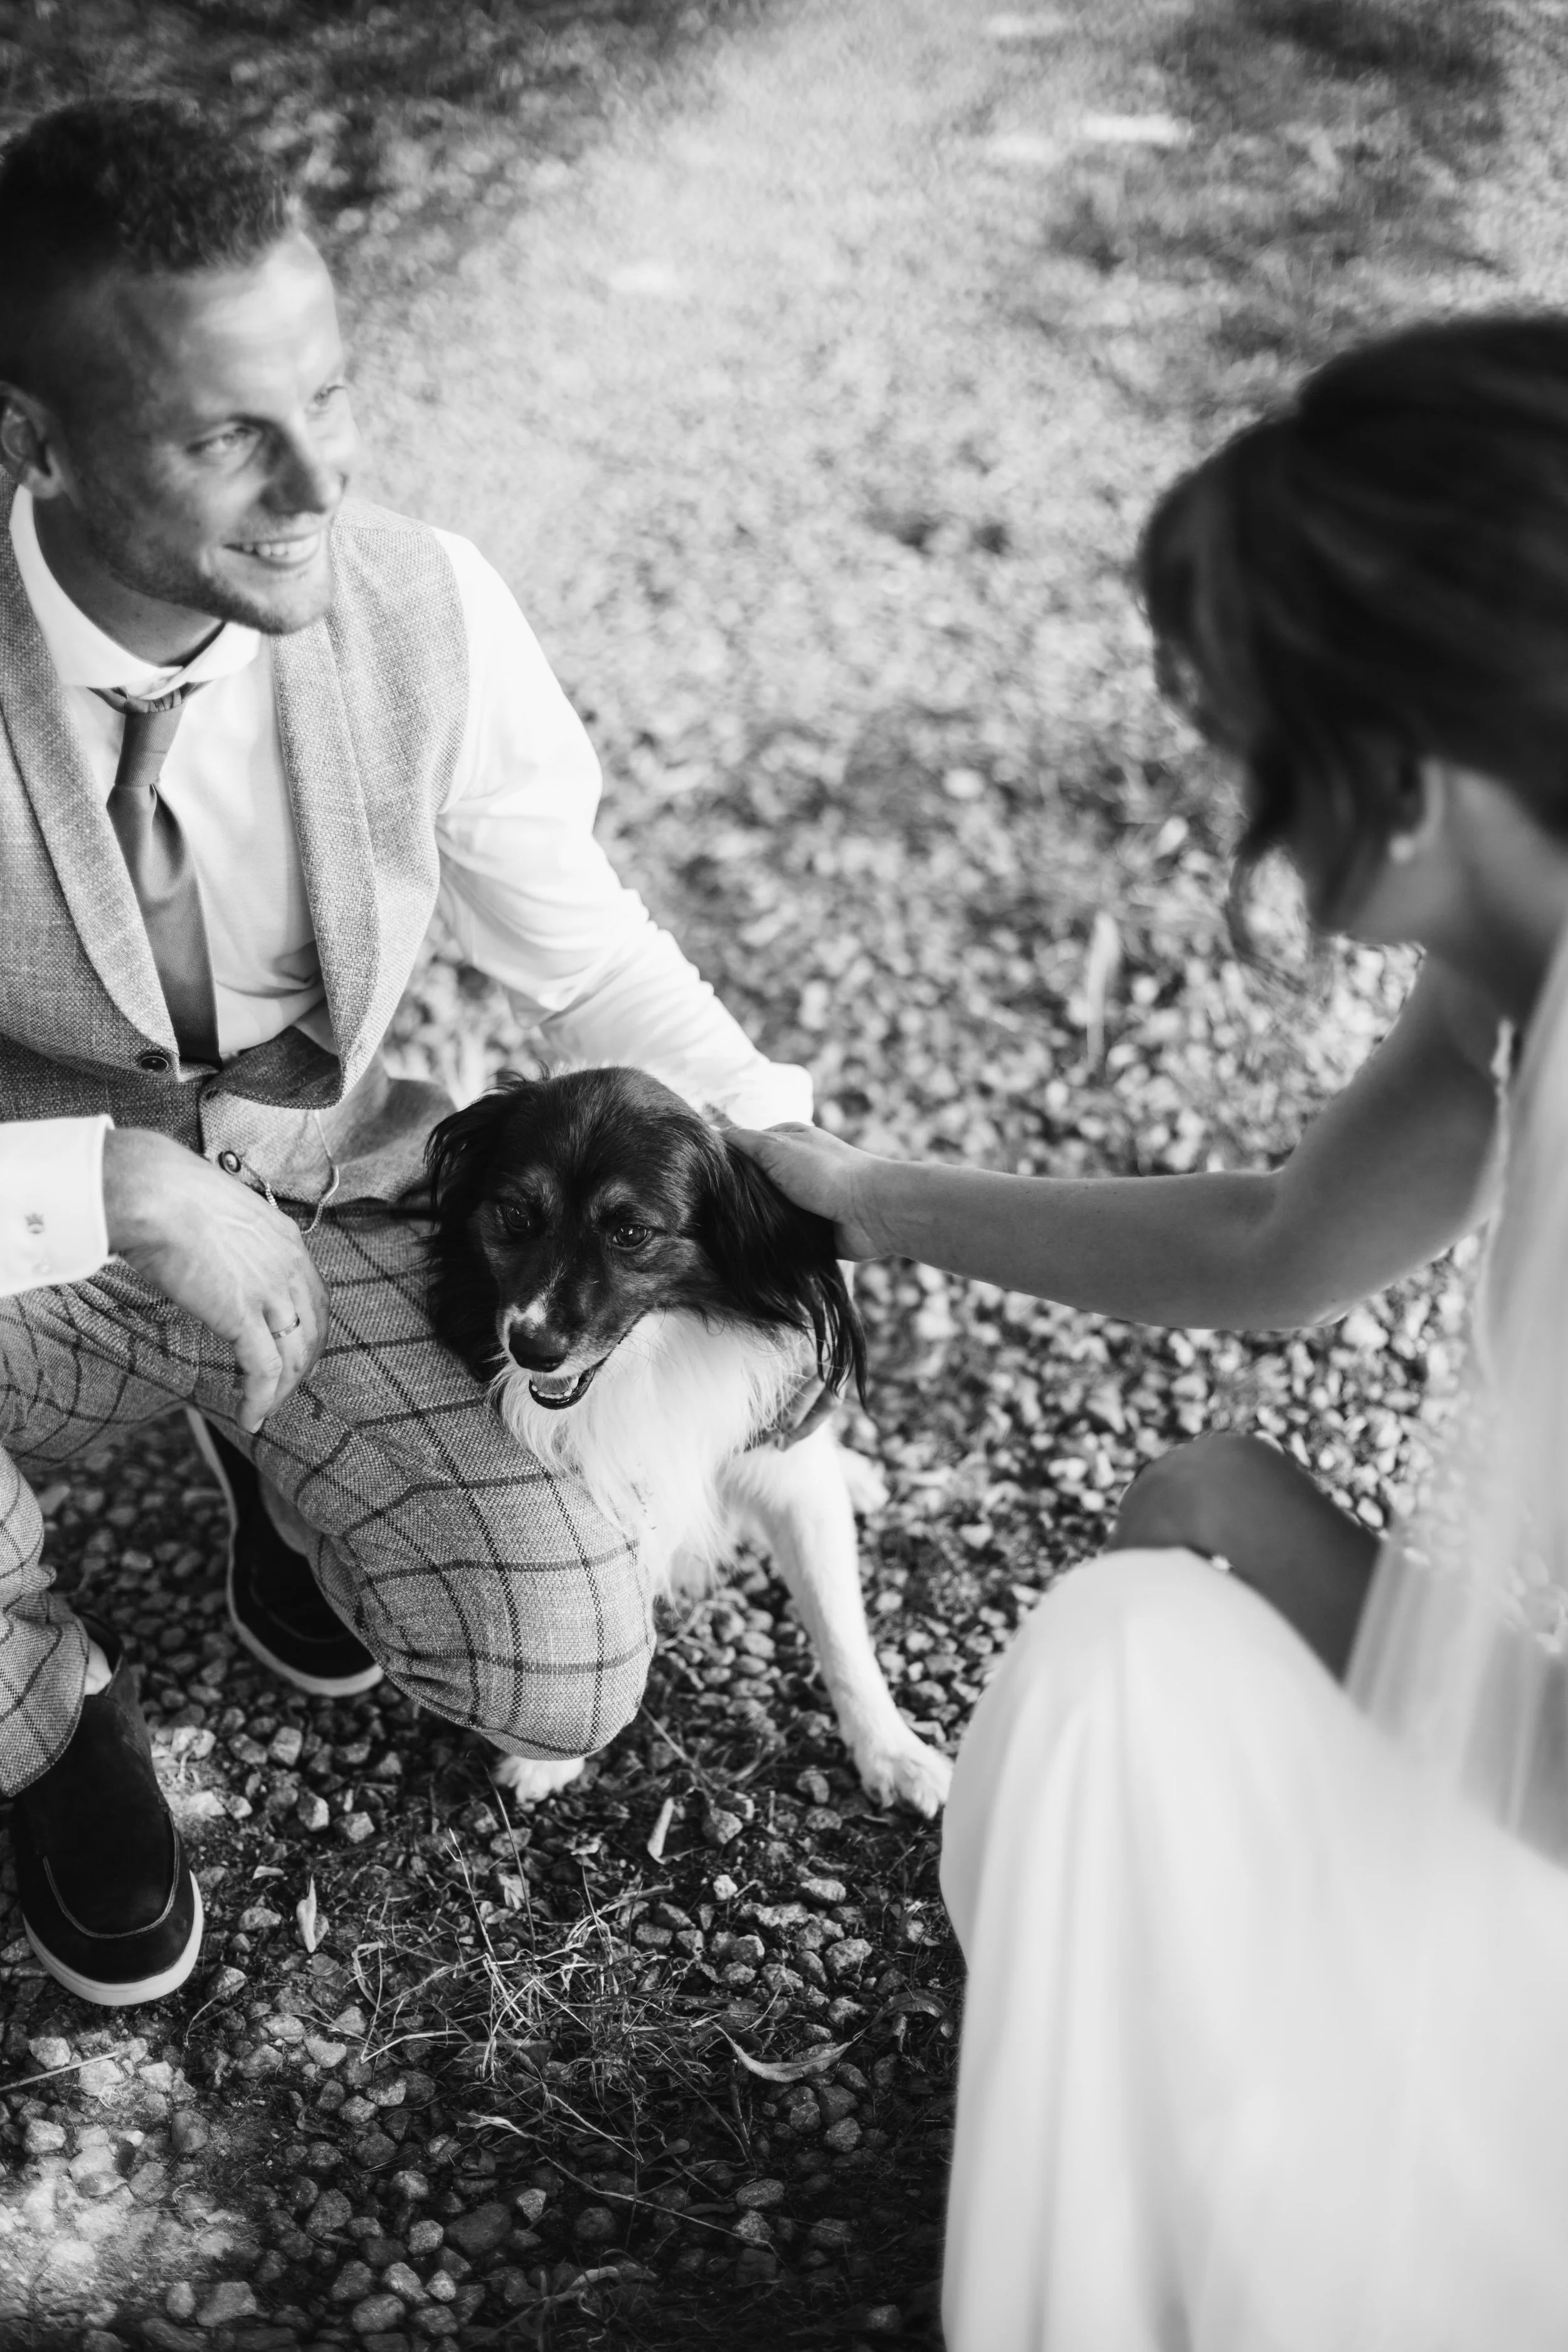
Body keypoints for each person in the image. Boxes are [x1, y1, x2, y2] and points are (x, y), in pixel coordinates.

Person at [736, 315, 1568, 2348]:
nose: (1212, 801)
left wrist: (1278, 1529)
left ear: (1406, 769)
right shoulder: (1505, 958)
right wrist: (860, 1192)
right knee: (1124, 1657)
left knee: (1127, 1670)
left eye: (1226, 728)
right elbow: (1281, 1240)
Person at [0, 98, 813, 2008]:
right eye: (228, 437)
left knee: (560, 1658)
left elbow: (591, 961)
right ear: (33, 438)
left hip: (318, 1202)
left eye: (334, 401)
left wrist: (789, 1146)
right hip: (16, 1237)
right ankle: (46, 1707)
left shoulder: (426, 609)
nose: (316, 486)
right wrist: (111, 1181)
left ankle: (276, 1458)